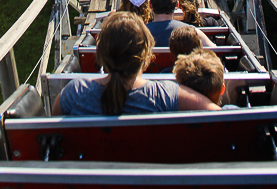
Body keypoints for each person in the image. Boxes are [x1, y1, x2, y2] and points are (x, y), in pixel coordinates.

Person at [52, 11, 219, 116]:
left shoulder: (75, 93)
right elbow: (223, 116)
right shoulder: (166, 95)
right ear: (146, 55)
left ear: (101, 54)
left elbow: (54, 130)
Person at [147, 0, 215, 48]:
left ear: (150, 4)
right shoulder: (191, 32)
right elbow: (215, 51)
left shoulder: (140, 33)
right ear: (177, 5)